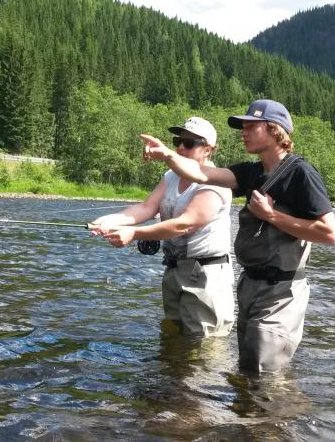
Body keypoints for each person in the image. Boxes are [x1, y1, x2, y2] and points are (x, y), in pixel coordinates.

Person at [140, 100, 335, 372]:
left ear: (274, 130)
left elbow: (328, 233)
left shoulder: (300, 173)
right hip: (250, 286)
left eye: (250, 126)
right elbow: (199, 172)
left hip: (282, 290)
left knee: (264, 374)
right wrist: (167, 155)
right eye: (242, 127)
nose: (243, 132)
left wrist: (271, 215)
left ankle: (279, 414)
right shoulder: (250, 172)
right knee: (247, 371)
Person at [88, 117, 235, 338]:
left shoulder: (216, 181)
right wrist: (109, 220)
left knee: (203, 352)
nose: (180, 147)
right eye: (178, 141)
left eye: (189, 143)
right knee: (173, 341)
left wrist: (134, 234)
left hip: (206, 276)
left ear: (208, 149)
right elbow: (147, 207)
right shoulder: (171, 176)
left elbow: (184, 224)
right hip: (174, 271)